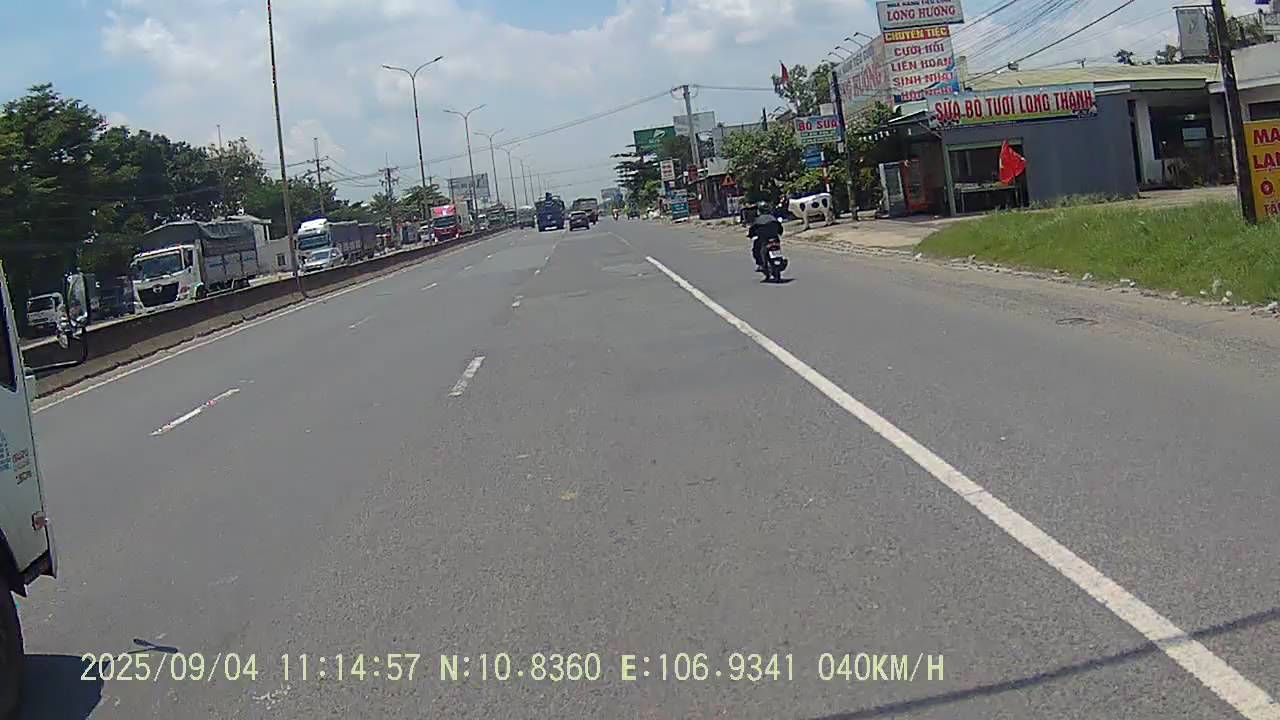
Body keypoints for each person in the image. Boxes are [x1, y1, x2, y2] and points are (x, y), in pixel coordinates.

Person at [747, 203, 783, 272]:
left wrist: (750, 235)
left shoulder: (758, 220)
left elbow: (752, 230)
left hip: (764, 239)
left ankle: (760, 264)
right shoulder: (773, 218)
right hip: (774, 238)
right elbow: (780, 228)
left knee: (756, 249)